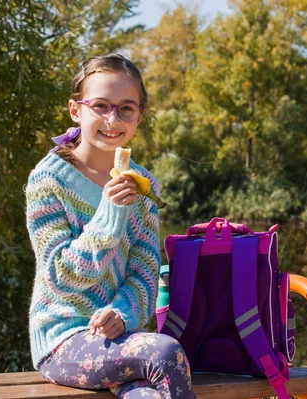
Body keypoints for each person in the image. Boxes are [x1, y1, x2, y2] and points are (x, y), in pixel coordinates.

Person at [25, 53, 195, 399]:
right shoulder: (48, 180)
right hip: (62, 341)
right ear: (76, 110)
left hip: (122, 339)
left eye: (126, 108)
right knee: (165, 354)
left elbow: (145, 274)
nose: (112, 119)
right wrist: (110, 215)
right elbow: (60, 277)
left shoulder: (144, 185)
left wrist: (121, 312)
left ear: (139, 116)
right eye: (100, 105)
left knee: (146, 395)